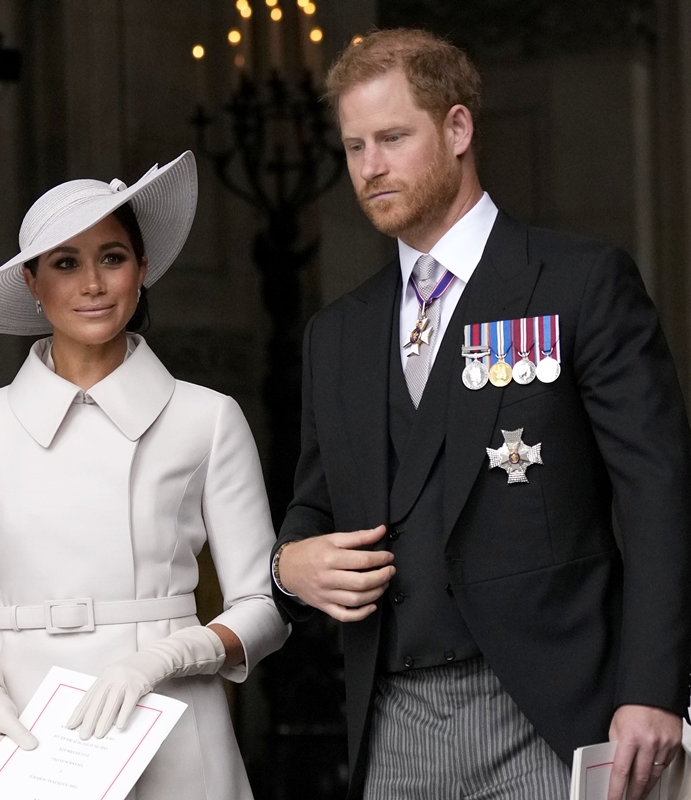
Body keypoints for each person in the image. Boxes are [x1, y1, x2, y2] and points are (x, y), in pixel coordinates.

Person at [270, 28, 691, 800]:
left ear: (458, 129)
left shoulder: (579, 283)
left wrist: (656, 687)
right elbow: (313, 507)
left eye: (394, 138)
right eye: (355, 145)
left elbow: (658, 492)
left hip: (553, 710)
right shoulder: (336, 334)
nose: (371, 167)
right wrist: (286, 568)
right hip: (392, 719)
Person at [0, 151, 290, 800]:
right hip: (31, 731)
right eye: (65, 263)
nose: (92, 282)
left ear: (142, 271)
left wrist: (171, 656)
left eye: (113, 257)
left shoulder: (207, 418)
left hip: (173, 716)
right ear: (33, 284)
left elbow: (264, 606)